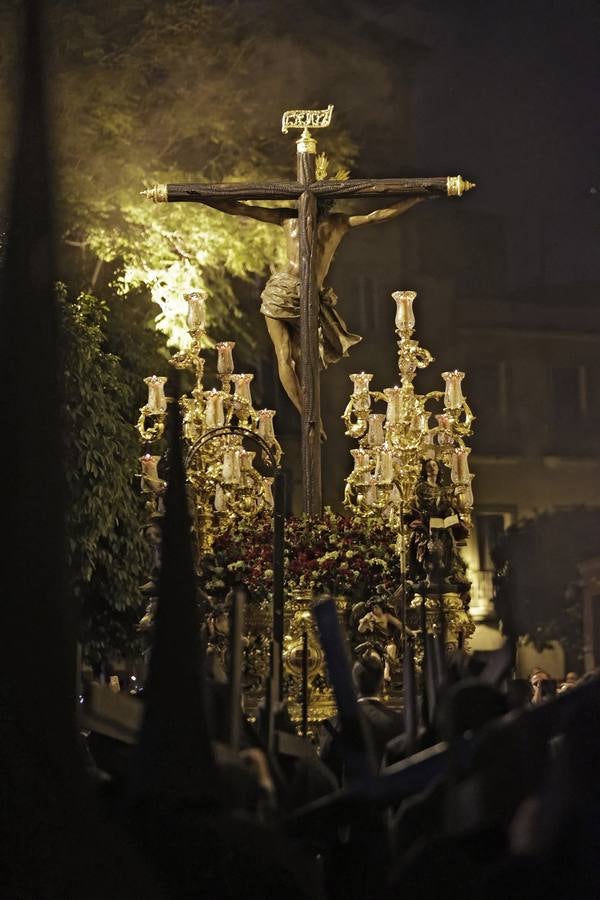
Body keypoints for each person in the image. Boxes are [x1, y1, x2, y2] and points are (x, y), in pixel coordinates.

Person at [200, 187, 428, 438]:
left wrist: (201, 197)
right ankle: (311, 416)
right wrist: (418, 197)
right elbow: (379, 215)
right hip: (305, 296)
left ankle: (308, 415)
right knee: (298, 358)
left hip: (281, 290)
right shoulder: (336, 222)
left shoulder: (288, 218)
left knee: (285, 356)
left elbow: (239, 208)